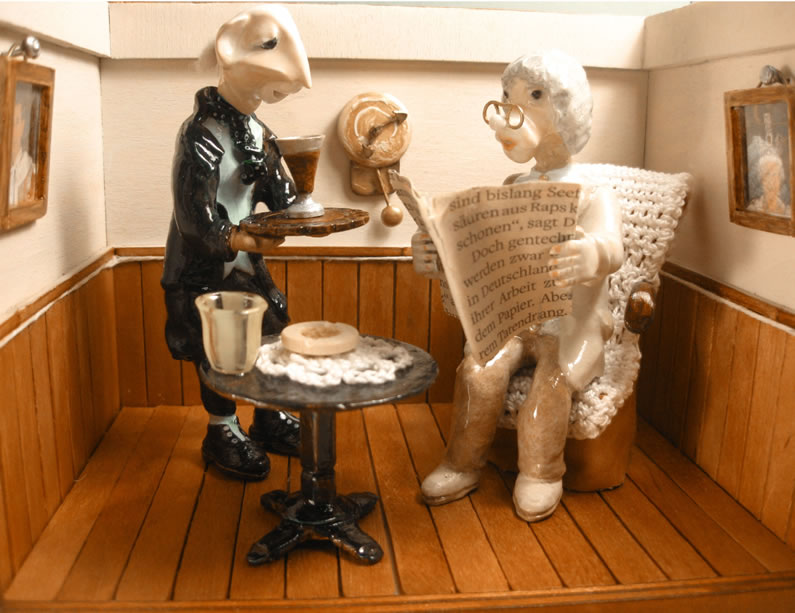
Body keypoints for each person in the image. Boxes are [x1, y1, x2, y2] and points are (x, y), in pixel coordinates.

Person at [413, 50, 624, 521]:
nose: (510, 112)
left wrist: (591, 254)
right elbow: (485, 258)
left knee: (550, 385)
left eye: (533, 97)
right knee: (478, 371)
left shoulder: (593, 192)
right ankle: (462, 463)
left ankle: (542, 471)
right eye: (507, 97)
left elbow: (613, 247)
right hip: (517, 318)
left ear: (566, 109)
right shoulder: (512, 186)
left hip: (569, 325)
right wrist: (440, 256)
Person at [161, 5, 312, 481]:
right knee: (218, 347)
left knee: (272, 325)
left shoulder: (258, 133)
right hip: (203, 266)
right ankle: (221, 427)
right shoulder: (199, 135)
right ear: (229, 53)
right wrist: (243, 236)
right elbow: (194, 220)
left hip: (244, 264)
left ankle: (267, 414)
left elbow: (281, 196)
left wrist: (294, 199)